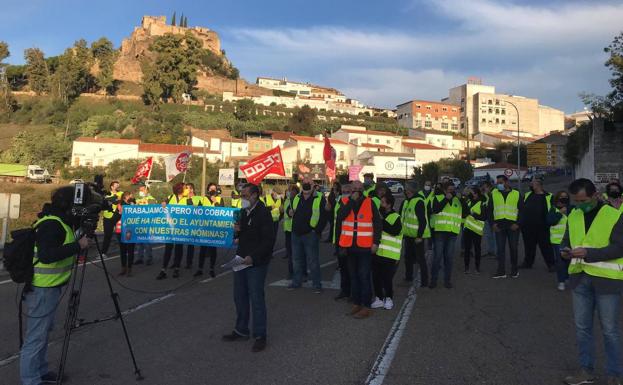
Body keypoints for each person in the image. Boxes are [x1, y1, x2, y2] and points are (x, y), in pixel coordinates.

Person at [20, 186, 90, 385]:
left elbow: (60, 244)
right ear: (68, 205)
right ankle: (30, 380)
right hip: (42, 289)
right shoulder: (52, 224)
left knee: (42, 334)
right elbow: (47, 255)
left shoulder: (59, 221)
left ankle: (40, 372)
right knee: (36, 337)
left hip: (50, 288)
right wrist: (79, 246)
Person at [561, 178, 623, 385]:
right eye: (576, 201)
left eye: (583, 200)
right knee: (582, 329)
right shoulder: (574, 214)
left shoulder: (614, 215)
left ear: (595, 194)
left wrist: (589, 253)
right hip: (580, 279)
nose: (579, 205)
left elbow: (619, 248)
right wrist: (564, 251)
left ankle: (615, 375)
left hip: (607, 282)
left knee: (610, 330)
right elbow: (567, 240)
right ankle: (586, 371)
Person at [222, 183, 274, 353]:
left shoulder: (264, 213)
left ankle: (260, 335)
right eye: (241, 195)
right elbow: (244, 235)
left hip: (255, 262)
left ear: (254, 195)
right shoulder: (244, 212)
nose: (242, 199)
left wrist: (254, 257)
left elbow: (268, 241)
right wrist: (237, 233)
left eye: (244, 195)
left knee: (256, 298)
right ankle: (241, 330)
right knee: (239, 296)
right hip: (240, 259)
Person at [336, 180, 382, 319]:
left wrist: (376, 242)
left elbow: (377, 223)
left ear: (363, 189)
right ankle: (356, 303)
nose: (357, 191)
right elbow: (340, 218)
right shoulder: (344, 202)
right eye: (354, 189)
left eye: (359, 188)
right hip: (349, 246)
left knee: (363, 276)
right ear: (350, 190)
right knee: (354, 276)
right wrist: (339, 245)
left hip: (365, 246)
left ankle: (366, 306)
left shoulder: (370, 202)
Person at [288, 177, 327, 293]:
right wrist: (289, 213)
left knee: (313, 261)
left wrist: (317, 231)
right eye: (304, 183)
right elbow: (290, 211)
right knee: (296, 260)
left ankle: (316, 284)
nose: (306, 185)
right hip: (296, 233)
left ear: (313, 185)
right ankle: (296, 281)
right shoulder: (296, 197)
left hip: (310, 234)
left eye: (308, 183)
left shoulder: (319, 197)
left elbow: (324, 216)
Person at [371, 194, 402, 310]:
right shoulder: (378, 215)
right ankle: (379, 298)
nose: (381, 205)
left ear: (389, 205)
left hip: (389, 254)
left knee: (387, 278)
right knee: (376, 277)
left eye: (383, 203)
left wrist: (381, 220)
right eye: (381, 202)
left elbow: (394, 231)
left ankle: (388, 298)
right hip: (377, 252)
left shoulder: (396, 217)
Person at [430, 181, 463, 288]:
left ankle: (447, 281)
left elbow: (466, 211)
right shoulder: (438, 197)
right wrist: (446, 198)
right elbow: (436, 210)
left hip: (452, 233)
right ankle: (433, 280)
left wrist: (462, 198)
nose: (452, 192)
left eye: (453, 190)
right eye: (450, 190)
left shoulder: (457, 200)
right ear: (444, 190)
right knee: (437, 257)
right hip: (440, 232)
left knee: (449, 258)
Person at [156, 182, 192, 280]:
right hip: (170, 227)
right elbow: (163, 205)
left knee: (178, 249)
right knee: (168, 249)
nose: (186, 189)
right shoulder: (171, 197)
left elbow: (191, 210)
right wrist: (163, 204)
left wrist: (189, 198)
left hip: (180, 228)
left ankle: (177, 268)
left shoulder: (187, 199)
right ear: (180, 189)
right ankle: (163, 270)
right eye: (185, 188)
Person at [519, 177, 555, 271]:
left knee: (546, 247)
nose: (530, 185)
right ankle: (528, 263)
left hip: (543, 227)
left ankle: (551, 264)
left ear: (538, 185)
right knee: (529, 246)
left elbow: (554, 209)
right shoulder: (527, 195)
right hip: (528, 227)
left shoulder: (549, 196)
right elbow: (521, 208)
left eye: (532, 183)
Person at [490, 175, 522, 279]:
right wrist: (492, 224)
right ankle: (501, 271)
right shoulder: (494, 193)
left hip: (513, 226)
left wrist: (517, 223)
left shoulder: (516, 194)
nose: (498, 185)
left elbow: (522, 211)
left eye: (500, 182)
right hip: (499, 226)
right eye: (497, 183)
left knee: (513, 248)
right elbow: (489, 210)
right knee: (500, 249)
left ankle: (514, 270)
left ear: (507, 182)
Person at [400, 182, 428, 287]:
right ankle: (408, 277)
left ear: (411, 190)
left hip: (417, 237)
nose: (405, 190)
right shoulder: (406, 201)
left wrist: (419, 236)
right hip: (408, 235)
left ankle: (424, 281)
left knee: (420, 259)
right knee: (408, 258)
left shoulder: (418, 201)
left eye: (406, 188)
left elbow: (422, 221)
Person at [193, 183, 225, 278]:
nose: (212, 190)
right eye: (210, 189)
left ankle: (212, 268)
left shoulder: (219, 199)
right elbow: (197, 211)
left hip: (214, 228)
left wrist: (215, 202)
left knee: (212, 249)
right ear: (208, 190)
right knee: (202, 249)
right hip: (204, 227)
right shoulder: (203, 199)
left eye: (214, 189)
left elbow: (222, 212)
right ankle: (200, 268)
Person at [546, 190, 571, 291]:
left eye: (565, 197)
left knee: (570, 262)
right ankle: (561, 281)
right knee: (560, 263)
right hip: (557, 241)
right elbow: (550, 221)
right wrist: (560, 213)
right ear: (557, 198)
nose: (563, 199)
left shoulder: (572, 208)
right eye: (561, 197)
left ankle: (568, 278)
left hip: (570, 240)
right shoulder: (553, 209)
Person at [333, 183, 351, 300]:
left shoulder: (350, 203)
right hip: (340, 239)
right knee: (343, 268)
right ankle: (344, 290)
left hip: (349, 241)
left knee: (350, 269)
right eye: (343, 191)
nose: (344, 193)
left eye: (346, 191)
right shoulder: (340, 201)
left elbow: (342, 216)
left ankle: (351, 292)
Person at [463, 187, 486, 274]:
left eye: (474, 193)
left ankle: (477, 268)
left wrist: (473, 214)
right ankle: (466, 267)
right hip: (467, 229)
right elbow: (464, 212)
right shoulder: (468, 202)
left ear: (477, 193)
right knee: (467, 249)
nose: (473, 195)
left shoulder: (482, 203)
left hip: (477, 230)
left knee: (477, 250)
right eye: (471, 193)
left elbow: (484, 217)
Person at [282, 184, 302, 278]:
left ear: (295, 191)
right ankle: (291, 272)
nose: (288, 192)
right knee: (290, 253)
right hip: (287, 230)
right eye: (288, 190)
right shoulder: (287, 200)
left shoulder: (298, 200)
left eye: (290, 190)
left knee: (296, 253)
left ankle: (298, 272)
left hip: (295, 230)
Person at [115, 191, 136, 276]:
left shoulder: (133, 204)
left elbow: (137, 216)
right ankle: (123, 268)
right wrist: (119, 213)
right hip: (120, 230)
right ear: (125, 197)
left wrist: (133, 207)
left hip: (130, 230)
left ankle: (129, 268)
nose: (132, 197)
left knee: (130, 249)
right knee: (122, 250)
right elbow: (114, 218)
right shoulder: (120, 205)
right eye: (130, 195)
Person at [134, 184, 156, 265]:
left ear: (147, 190)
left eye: (142, 190)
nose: (141, 192)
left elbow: (153, 209)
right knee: (139, 242)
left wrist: (146, 201)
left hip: (147, 223)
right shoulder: (138, 199)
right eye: (140, 190)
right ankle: (139, 258)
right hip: (139, 223)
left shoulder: (151, 199)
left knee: (147, 242)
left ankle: (149, 258)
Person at [101, 180, 122, 257]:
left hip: (119, 217)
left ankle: (123, 249)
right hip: (108, 217)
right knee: (107, 235)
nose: (117, 186)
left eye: (118, 185)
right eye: (116, 185)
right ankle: (103, 253)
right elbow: (103, 203)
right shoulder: (107, 194)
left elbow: (127, 200)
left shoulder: (121, 193)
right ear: (112, 186)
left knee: (120, 234)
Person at [260, 186, 282, 252]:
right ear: (273, 192)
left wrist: (280, 216)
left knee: (273, 237)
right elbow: (262, 210)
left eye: (279, 194)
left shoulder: (280, 199)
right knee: (267, 237)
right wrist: (270, 208)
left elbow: (281, 210)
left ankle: (270, 250)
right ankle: (265, 250)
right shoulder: (266, 198)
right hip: (268, 222)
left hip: (276, 222)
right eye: (277, 193)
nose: (279, 195)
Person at [480, 181, 497, 257]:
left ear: (490, 187)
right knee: (488, 236)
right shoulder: (486, 194)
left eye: (485, 187)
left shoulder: (495, 193)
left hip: (494, 218)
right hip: (487, 218)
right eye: (484, 187)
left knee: (495, 236)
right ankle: (490, 251)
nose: (484, 189)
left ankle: (497, 253)